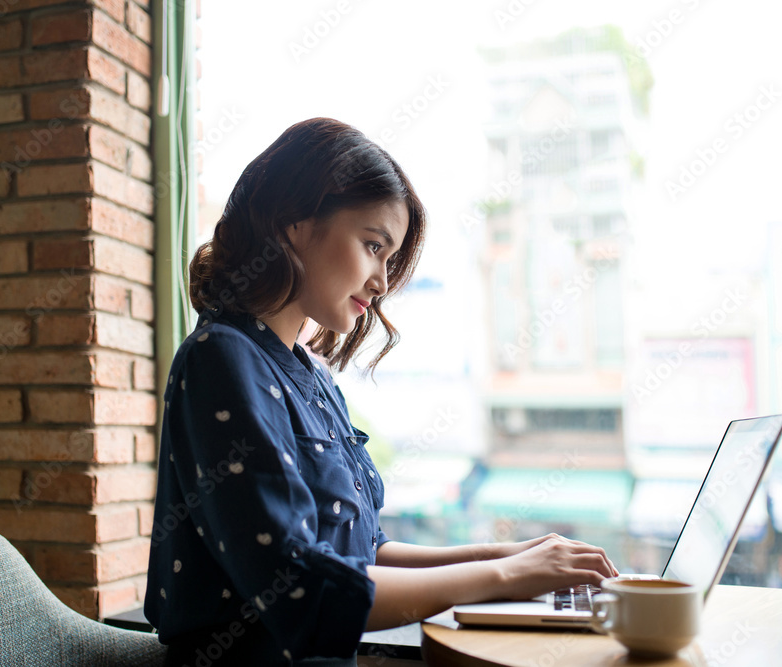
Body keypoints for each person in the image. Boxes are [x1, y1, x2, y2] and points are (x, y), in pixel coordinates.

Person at [144, 118, 618, 666]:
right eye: (373, 246)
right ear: (293, 220)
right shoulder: (220, 359)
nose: (382, 281)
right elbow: (302, 590)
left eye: (389, 258)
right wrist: (504, 575)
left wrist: (509, 555)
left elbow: (362, 554)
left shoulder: (312, 375)